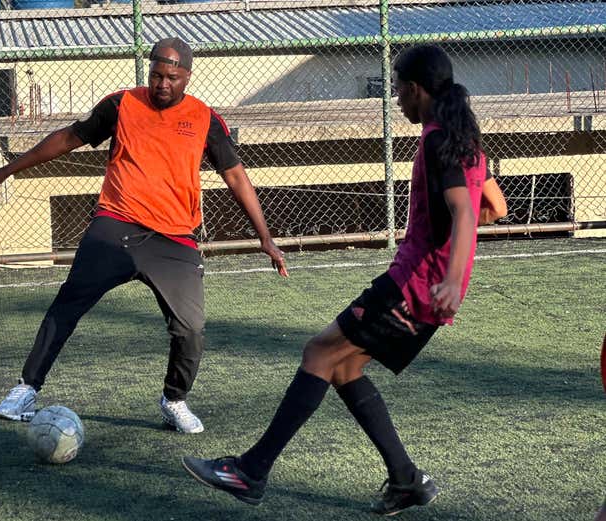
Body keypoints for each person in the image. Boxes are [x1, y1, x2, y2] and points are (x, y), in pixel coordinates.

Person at [181, 44, 507, 515]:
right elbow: (493, 208)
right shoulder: (464, 138)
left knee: (319, 353)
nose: (396, 98)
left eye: (398, 88)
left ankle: (250, 472)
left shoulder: (439, 140)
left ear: (416, 90)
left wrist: (452, 277)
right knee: (344, 367)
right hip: (425, 287)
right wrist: (449, 256)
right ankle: (406, 480)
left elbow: (463, 211)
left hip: (415, 288)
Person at [0, 37, 288, 434]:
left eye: (172, 78)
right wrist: (9, 169)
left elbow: (235, 175)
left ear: (187, 77)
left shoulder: (205, 118)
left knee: (190, 329)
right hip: (116, 226)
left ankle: (174, 400)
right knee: (68, 304)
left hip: (175, 238)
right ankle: (26, 389)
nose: (162, 84)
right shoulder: (121, 105)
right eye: (156, 75)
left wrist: (265, 237)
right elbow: (68, 138)